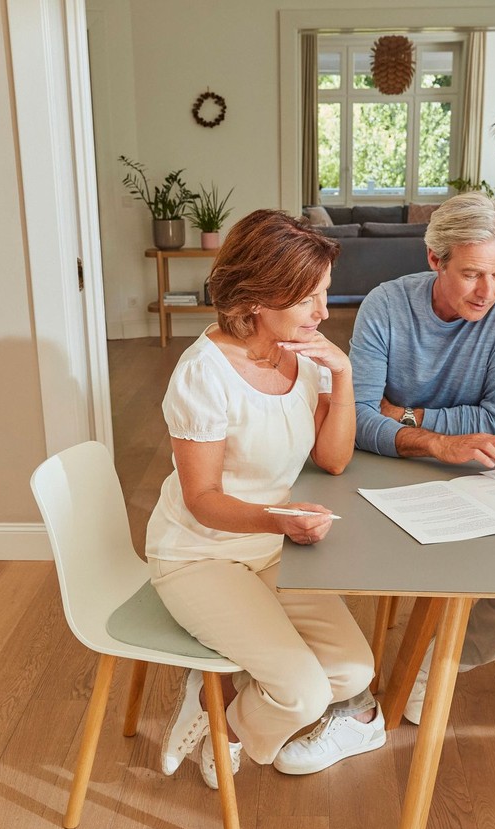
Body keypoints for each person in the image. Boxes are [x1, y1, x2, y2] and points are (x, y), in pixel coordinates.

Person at [147, 209, 384, 789]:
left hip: (272, 545)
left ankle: (221, 711)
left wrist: (344, 377)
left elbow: (332, 459)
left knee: (354, 671)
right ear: (257, 297)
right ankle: (222, 718)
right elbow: (202, 498)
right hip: (201, 554)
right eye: (309, 300)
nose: (324, 314)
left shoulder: (301, 351)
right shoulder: (203, 374)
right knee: (302, 694)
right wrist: (279, 519)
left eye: (325, 295)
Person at [348, 191, 495, 724]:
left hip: (482, 470)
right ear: (434, 258)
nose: (488, 292)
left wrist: (405, 417)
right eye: (471, 274)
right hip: (388, 469)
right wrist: (438, 440)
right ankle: (352, 683)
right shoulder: (386, 305)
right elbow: (356, 418)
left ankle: (433, 665)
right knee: (336, 559)